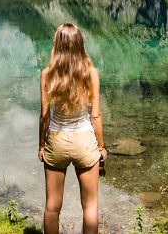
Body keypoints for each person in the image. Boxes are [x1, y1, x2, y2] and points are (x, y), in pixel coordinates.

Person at [38, 23, 109, 234]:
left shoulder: (47, 74)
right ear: (80, 44)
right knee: (90, 206)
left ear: (57, 45)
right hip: (84, 141)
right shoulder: (90, 73)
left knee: (52, 206)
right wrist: (101, 147)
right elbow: (95, 115)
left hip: (57, 140)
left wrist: (41, 145)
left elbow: (44, 115)